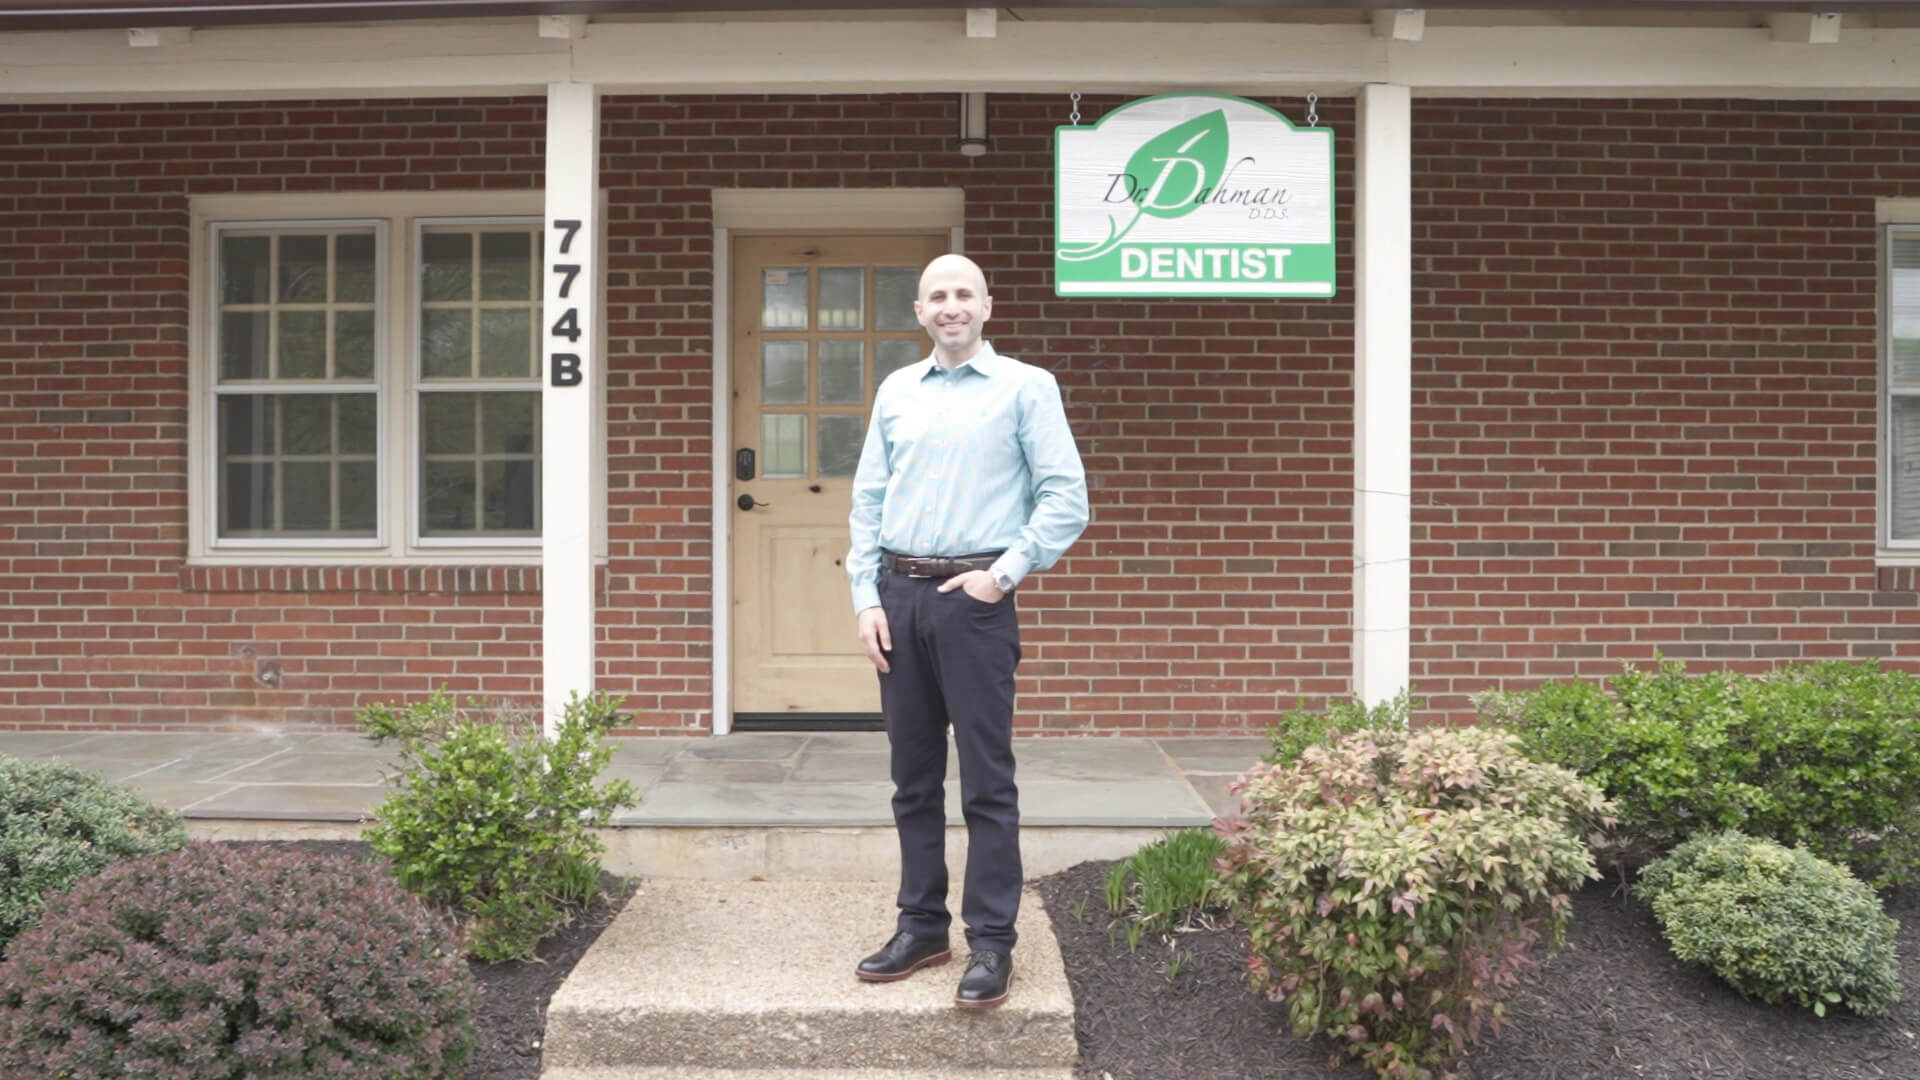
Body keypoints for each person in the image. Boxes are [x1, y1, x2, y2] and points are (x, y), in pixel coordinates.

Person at [845, 253, 1089, 1009]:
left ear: (987, 304)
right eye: (936, 296)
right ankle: (922, 926)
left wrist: (1002, 575)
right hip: (899, 596)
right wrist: (866, 596)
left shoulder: (1027, 387)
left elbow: (1065, 498)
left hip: (975, 601)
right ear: (919, 311)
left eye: (963, 294)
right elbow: (868, 499)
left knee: (986, 780)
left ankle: (991, 942)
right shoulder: (896, 391)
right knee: (912, 779)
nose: (950, 306)